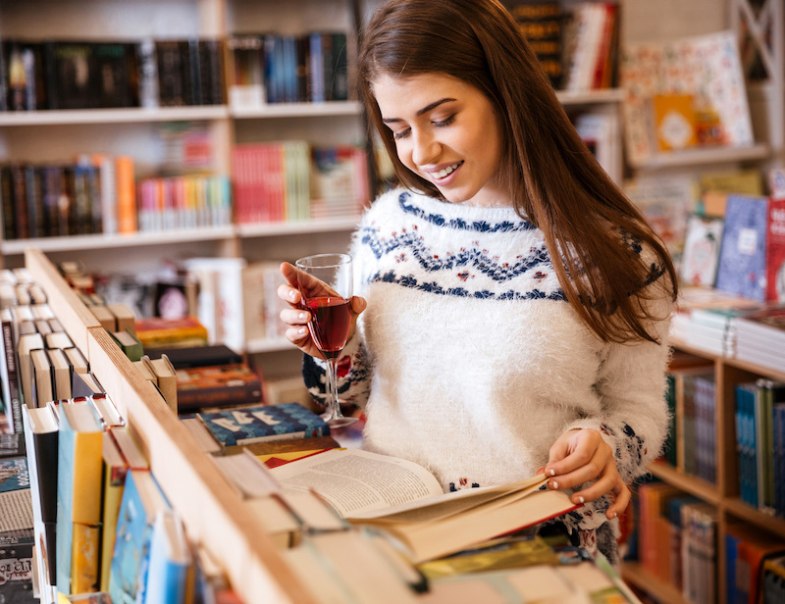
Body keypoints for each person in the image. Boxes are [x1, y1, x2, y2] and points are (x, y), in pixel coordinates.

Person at [278, 0, 677, 563]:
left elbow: (639, 410)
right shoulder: (388, 228)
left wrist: (604, 445)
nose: (421, 152)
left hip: (539, 551)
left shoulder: (620, 255)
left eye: (442, 118)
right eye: (399, 130)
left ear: (505, 93)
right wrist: (331, 348)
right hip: (396, 543)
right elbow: (342, 400)